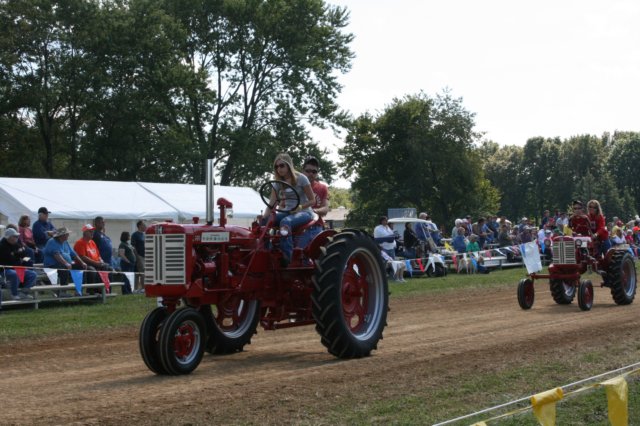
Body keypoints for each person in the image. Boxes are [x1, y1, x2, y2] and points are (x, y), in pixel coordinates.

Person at [263, 153, 315, 263]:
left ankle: (287, 257)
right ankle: (265, 252)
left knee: (285, 222)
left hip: (304, 212)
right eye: (276, 167)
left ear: (288, 166)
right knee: (265, 221)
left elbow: (312, 200)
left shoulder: (301, 178)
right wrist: (264, 217)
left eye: (282, 166)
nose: (279, 169)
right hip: (288, 211)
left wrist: (300, 207)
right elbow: (271, 204)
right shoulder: (277, 183)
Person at [297, 156, 330, 249]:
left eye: (314, 171)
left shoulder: (323, 188)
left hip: (316, 228)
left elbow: (325, 209)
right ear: (302, 171)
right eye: (308, 171)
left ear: (317, 173)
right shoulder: (295, 186)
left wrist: (311, 211)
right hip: (299, 228)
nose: (310, 173)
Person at [0, 228, 37, 300]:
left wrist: (28, 260)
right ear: (9, 237)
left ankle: (24, 293)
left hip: (17, 268)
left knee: (33, 274)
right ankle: (14, 294)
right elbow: (9, 258)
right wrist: (17, 254)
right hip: (5, 270)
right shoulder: (2, 246)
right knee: (15, 274)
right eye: (15, 236)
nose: (17, 238)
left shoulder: (16, 245)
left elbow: (24, 255)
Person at [131, 220, 147, 291]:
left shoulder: (144, 234)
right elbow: (133, 246)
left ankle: (137, 288)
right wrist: (137, 256)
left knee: (139, 272)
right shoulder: (135, 235)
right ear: (139, 226)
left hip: (145, 256)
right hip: (139, 255)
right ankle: (142, 288)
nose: (145, 226)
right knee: (142, 272)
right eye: (143, 225)